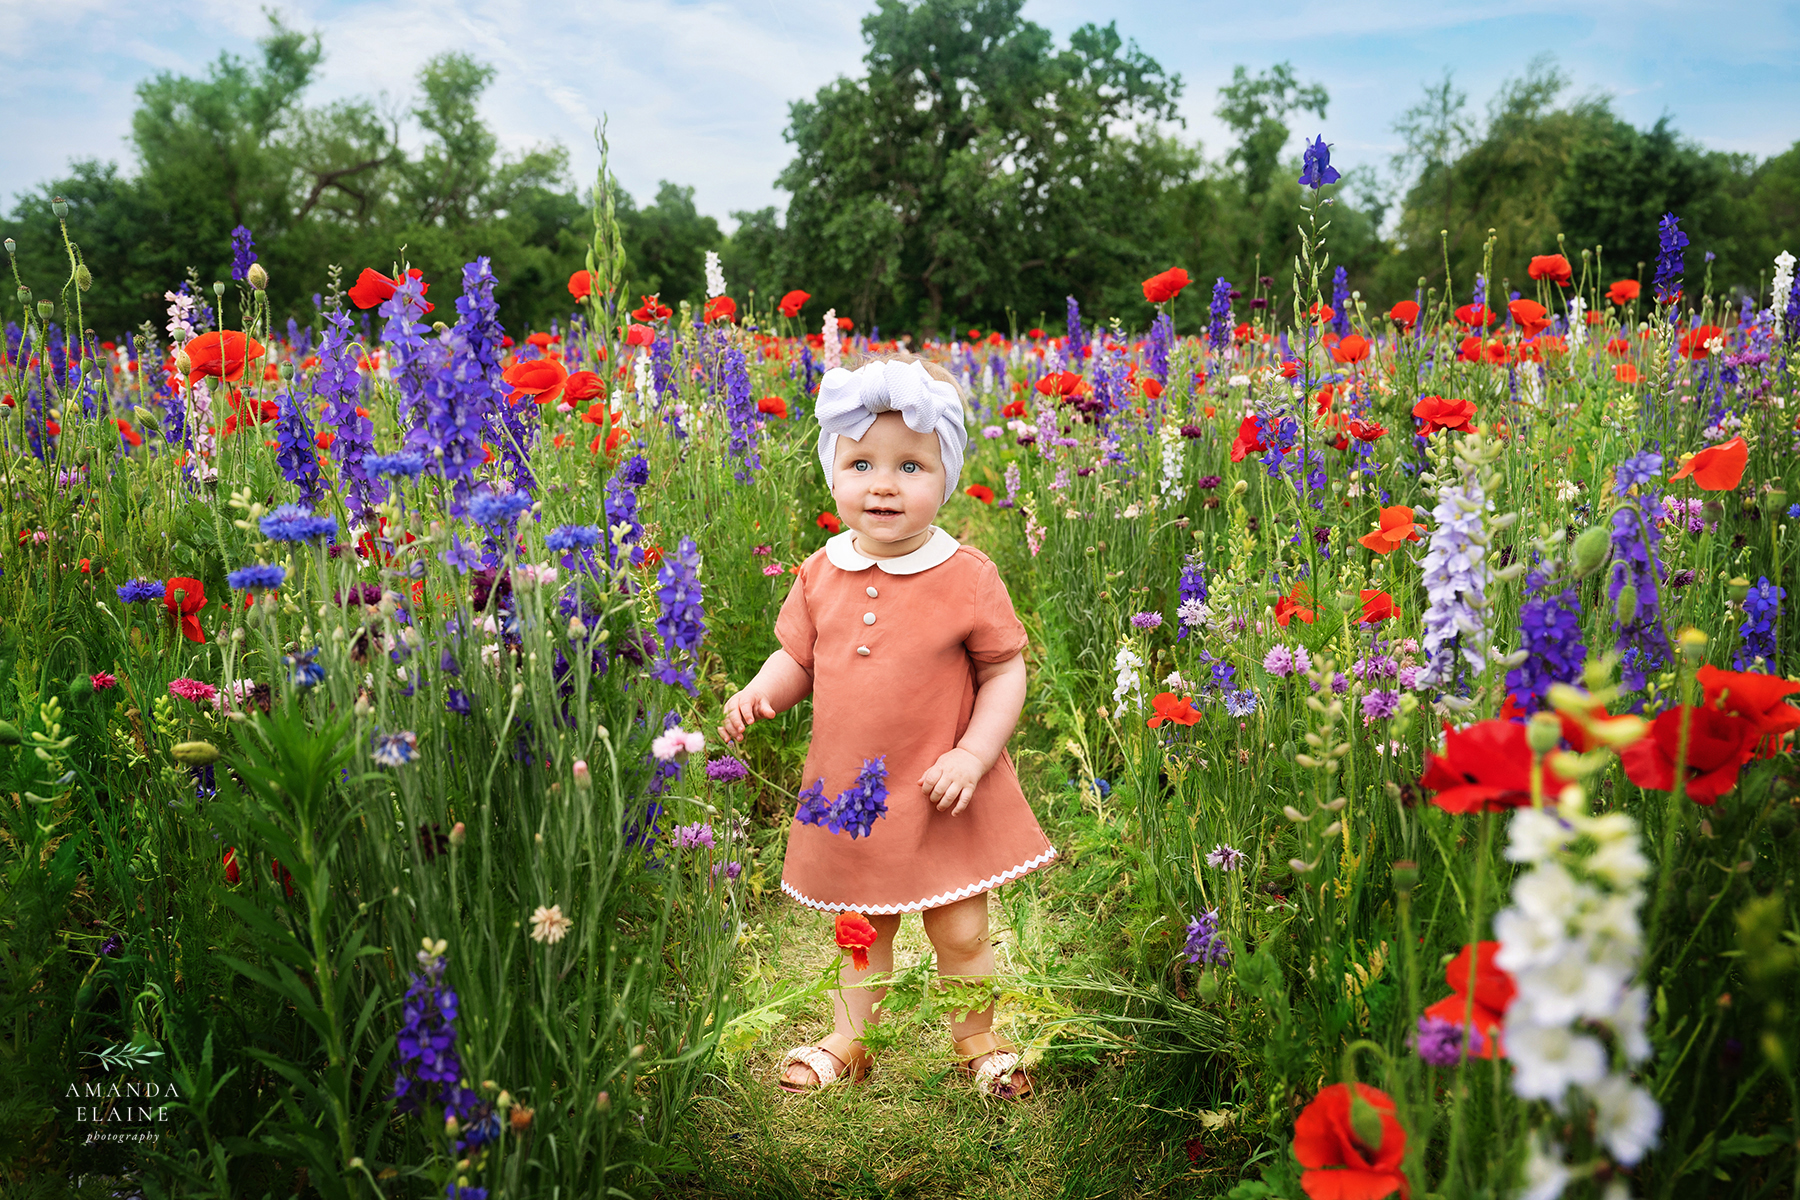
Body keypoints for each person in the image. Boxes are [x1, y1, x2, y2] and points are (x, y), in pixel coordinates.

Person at [720, 353, 1056, 1100]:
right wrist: (760, 692)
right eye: (862, 462)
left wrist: (973, 755)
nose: (882, 483)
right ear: (832, 471)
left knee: (960, 929)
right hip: (853, 792)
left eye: (911, 466)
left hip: (943, 788)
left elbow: (1005, 670)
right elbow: (797, 658)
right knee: (860, 932)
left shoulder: (967, 575)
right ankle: (850, 1038)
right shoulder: (819, 571)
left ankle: (978, 1041)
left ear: (945, 475)